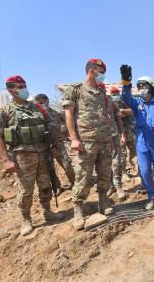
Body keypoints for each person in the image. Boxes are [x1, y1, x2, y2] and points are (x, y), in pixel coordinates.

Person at [0, 75, 63, 236]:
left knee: (45, 184)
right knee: (26, 190)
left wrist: (54, 145)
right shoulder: (4, 110)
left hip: (43, 153)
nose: (23, 88)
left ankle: (48, 211)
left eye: (24, 85)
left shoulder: (38, 107)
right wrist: (6, 160)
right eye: (19, 86)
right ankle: (26, 219)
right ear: (11, 90)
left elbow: (51, 125)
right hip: (22, 156)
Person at [62, 58, 114, 230]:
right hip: (85, 142)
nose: (103, 75)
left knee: (105, 173)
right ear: (92, 70)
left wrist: (110, 137)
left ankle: (102, 201)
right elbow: (69, 115)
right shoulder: (75, 90)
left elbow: (107, 116)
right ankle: (78, 211)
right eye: (101, 71)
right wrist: (74, 138)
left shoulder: (102, 94)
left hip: (104, 141)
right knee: (83, 176)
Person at [120, 66, 154, 210]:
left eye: (144, 85)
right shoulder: (136, 103)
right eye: (139, 86)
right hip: (141, 139)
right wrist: (126, 82)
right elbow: (125, 97)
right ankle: (151, 197)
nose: (141, 88)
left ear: (151, 87)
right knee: (145, 171)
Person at [34, 94, 75, 194]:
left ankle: (74, 182)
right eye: (38, 103)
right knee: (49, 167)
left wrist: (65, 135)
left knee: (66, 164)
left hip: (58, 144)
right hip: (44, 145)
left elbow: (69, 122)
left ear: (47, 101)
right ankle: (56, 187)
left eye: (41, 102)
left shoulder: (55, 113)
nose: (40, 104)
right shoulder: (36, 115)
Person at [96, 84, 127, 200]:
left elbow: (119, 119)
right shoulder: (89, 103)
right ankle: (111, 186)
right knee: (104, 163)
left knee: (117, 161)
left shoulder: (111, 102)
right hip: (100, 138)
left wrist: (123, 134)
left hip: (114, 135)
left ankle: (118, 186)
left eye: (101, 89)